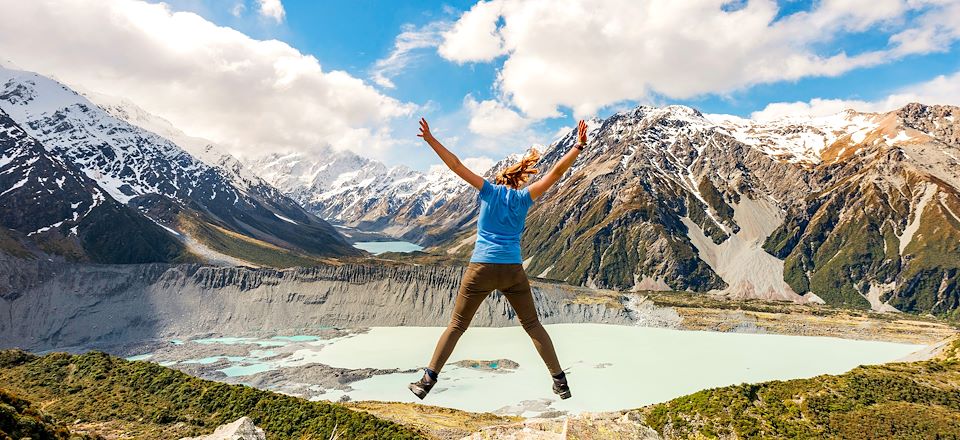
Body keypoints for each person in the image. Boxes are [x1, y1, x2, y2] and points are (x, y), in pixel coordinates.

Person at [408, 117, 589, 400]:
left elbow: (455, 165)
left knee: (457, 326)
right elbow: (554, 173)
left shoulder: (488, 191)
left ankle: (426, 382)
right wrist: (578, 146)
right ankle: (560, 382)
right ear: (517, 181)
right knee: (532, 325)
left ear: (499, 179)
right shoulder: (524, 198)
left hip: (480, 268)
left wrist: (431, 140)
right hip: (512, 271)